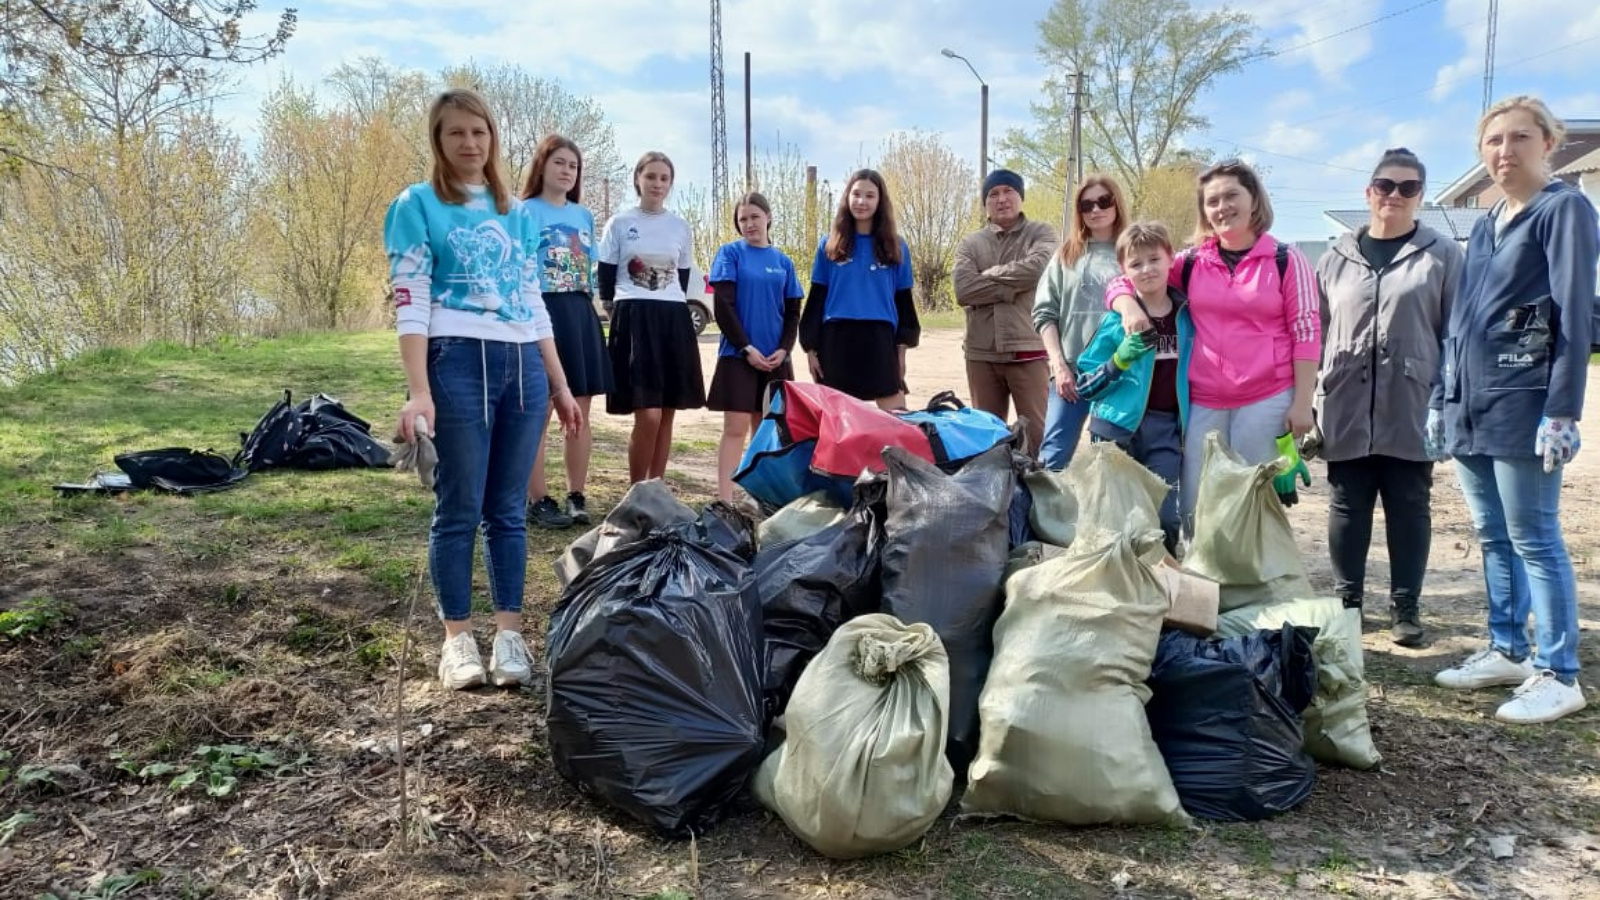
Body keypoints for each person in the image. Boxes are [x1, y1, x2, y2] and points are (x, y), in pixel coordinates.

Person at [384, 88, 582, 691]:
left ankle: (510, 636)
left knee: (508, 511)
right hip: (456, 360)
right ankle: (458, 640)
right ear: (438, 142)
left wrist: (560, 382)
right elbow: (411, 300)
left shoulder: (515, 212)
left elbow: (532, 301)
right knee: (460, 507)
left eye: (479, 132)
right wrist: (420, 390)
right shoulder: (416, 204)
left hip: (521, 362)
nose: (470, 144)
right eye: (455, 134)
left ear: (493, 139)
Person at [1432, 96, 1596, 725]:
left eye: (1519, 138)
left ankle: (1560, 672)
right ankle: (1509, 648)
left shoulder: (1565, 211)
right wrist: (1443, 399)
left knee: (1535, 536)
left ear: (1548, 143)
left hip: (1526, 401)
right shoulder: (1488, 222)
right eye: (1493, 141)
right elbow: (1461, 319)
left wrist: (1563, 409)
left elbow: (1575, 314)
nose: (1504, 151)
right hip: (1473, 405)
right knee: (1492, 535)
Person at [1108, 159, 1320, 533]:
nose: (1222, 207)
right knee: (1195, 502)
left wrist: (1303, 402)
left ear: (1253, 198)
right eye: (1212, 201)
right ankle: (1204, 583)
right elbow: (1131, 276)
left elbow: (1306, 331)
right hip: (1204, 400)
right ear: (1204, 211)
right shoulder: (1191, 262)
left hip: (1266, 398)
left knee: (1253, 500)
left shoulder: (1288, 260)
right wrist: (1125, 305)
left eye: (1231, 196)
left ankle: (1254, 585)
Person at [1313, 148, 1462, 647]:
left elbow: (1456, 333)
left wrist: (1450, 399)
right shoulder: (1336, 257)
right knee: (1347, 503)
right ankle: (1347, 604)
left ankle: (1405, 607)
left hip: (1412, 401)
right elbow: (1317, 331)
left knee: (1409, 504)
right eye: (1385, 185)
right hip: (1346, 401)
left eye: (1407, 187)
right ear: (1369, 192)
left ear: (1421, 195)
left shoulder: (1442, 255)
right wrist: (1315, 396)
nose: (1394, 196)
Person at [1074, 222, 1191, 555]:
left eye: (1154, 259)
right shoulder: (1116, 321)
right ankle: (1117, 594)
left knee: (1166, 519)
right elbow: (1085, 386)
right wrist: (1118, 361)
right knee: (1113, 522)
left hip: (1166, 431)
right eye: (1136, 264)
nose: (1147, 269)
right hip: (1115, 431)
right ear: (1124, 271)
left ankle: (1161, 587)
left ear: (1170, 258)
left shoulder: (1188, 317)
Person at [520, 135, 612, 529]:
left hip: (578, 311)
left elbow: (590, 271)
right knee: (538, 411)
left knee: (579, 412)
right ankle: (538, 498)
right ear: (542, 165)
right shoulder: (522, 211)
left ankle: (577, 493)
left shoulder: (584, 216)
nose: (567, 171)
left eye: (573, 166)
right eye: (560, 163)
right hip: (538, 311)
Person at [599, 151, 706, 483]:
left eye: (664, 178)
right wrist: (618, 311)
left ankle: (655, 491)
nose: (657, 184)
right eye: (651, 176)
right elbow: (605, 277)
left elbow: (684, 274)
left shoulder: (680, 227)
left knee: (667, 414)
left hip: (672, 318)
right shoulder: (619, 223)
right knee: (648, 415)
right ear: (638, 179)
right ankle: (636, 491)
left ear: (670, 184)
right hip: (634, 317)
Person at [952, 169, 1060, 454]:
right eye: (993, 194)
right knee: (986, 440)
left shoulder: (1042, 233)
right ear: (986, 203)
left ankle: (1038, 494)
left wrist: (989, 275)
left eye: (1008, 191)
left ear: (1020, 196)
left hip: (1028, 348)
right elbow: (964, 290)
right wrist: (1011, 287)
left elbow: (1039, 268)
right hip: (980, 353)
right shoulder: (970, 244)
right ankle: (997, 496)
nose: (1001, 199)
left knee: (1038, 437)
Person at [706, 192, 804, 503]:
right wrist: (745, 347)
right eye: (743, 219)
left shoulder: (783, 262)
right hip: (738, 356)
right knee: (735, 428)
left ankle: (759, 497)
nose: (749, 224)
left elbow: (792, 312)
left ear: (768, 217)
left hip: (775, 359)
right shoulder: (730, 254)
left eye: (754, 217)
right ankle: (725, 500)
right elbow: (723, 305)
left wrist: (784, 350)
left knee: (765, 430)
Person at [799, 169, 919, 410]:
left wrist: (901, 351)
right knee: (838, 424)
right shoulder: (829, 244)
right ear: (847, 197)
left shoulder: (896, 246)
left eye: (870, 196)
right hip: (837, 339)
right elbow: (817, 299)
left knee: (896, 420)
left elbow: (903, 303)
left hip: (879, 338)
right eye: (856, 194)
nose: (862, 201)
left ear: (880, 201)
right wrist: (811, 349)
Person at [1032, 174, 1130, 469]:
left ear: (1116, 204)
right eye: (1087, 205)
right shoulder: (1066, 255)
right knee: (1052, 458)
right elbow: (1044, 313)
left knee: (1112, 462)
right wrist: (1058, 365)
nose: (1096, 210)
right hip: (1071, 375)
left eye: (1104, 201)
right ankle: (1039, 515)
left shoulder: (1133, 252)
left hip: (1120, 374)